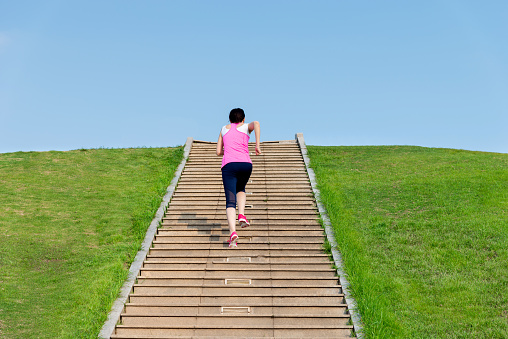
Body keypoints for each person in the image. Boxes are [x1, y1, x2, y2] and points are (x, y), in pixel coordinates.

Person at [216, 108, 261, 248]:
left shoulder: (224, 129)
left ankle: (233, 233)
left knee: (230, 201)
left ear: (229, 120)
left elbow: (218, 152)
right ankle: (241, 215)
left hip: (229, 165)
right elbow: (257, 124)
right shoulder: (246, 127)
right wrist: (257, 145)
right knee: (241, 188)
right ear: (243, 119)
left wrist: (229, 149)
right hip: (246, 164)